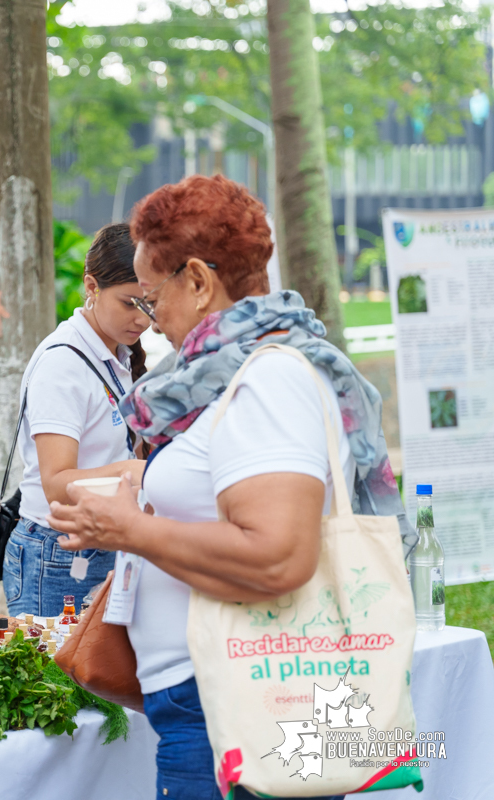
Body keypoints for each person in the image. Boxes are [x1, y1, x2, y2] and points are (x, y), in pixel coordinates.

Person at [45, 175, 408, 800]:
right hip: (212, 702)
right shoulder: (228, 376)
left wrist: (130, 529)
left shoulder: (268, 379)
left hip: (238, 703)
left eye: (153, 300)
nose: (152, 325)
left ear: (198, 280)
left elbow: (277, 554)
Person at [2, 223, 150, 617]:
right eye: (130, 302)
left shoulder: (116, 352)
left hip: (98, 540)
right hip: (57, 551)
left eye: (150, 304)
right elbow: (57, 484)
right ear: (92, 286)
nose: (142, 320)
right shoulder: (63, 363)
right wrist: (135, 471)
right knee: (56, 679)